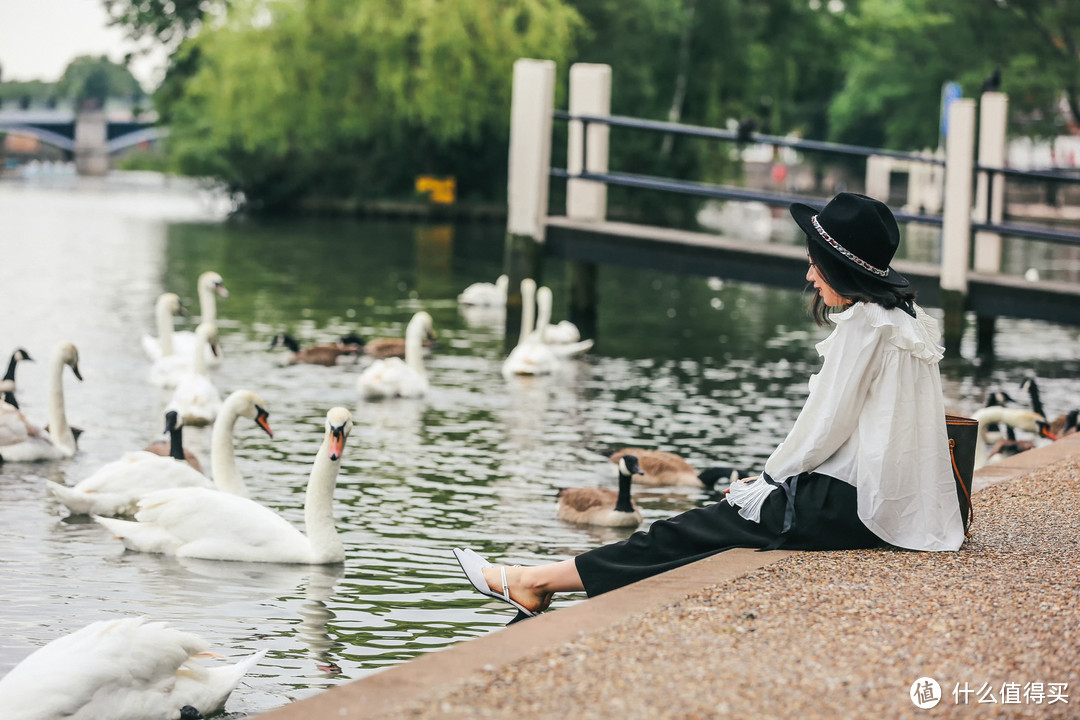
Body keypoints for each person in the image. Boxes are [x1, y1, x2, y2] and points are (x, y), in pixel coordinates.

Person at [455, 192, 965, 623]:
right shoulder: (907, 318)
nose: (809, 273)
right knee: (705, 527)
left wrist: (764, 483)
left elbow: (823, 429)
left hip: (852, 507)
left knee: (686, 530)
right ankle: (543, 579)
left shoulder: (864, 326)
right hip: (893, 504)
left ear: (838, 264)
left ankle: (534, 581)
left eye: (814, 261)